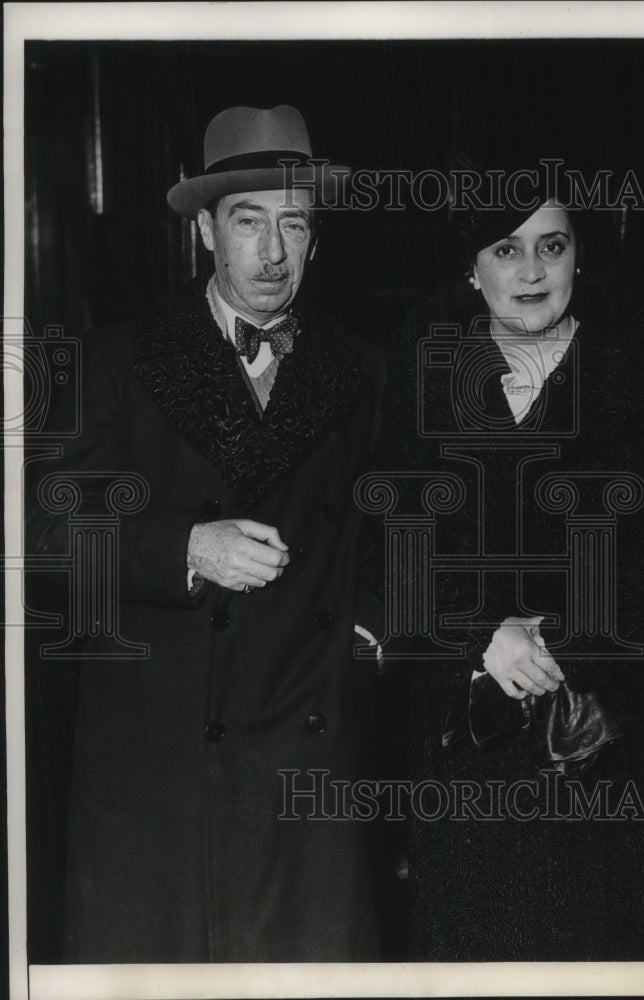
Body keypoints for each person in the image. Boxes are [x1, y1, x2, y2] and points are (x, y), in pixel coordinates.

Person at [27, 105, 385, 963]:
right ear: (203, 233)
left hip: (306, 776)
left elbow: (392, 527)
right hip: (160, 779)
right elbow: (38, 525)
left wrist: (365, 632)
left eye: (292, 224)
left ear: (316, 238)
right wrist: (183, 547)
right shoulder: (116, 361)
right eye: (247, 222)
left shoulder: (362, 368)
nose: (272, 253)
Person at [370, 165, 644, 960]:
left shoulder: (643, 362)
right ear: (470, 266)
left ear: (577, 256)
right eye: (505, 248)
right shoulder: (424, 367)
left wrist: (560, 639)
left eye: (550, 246)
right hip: (463, 742)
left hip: (599, 736)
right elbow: (389, 539)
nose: (530, 271)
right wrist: (481, 633)